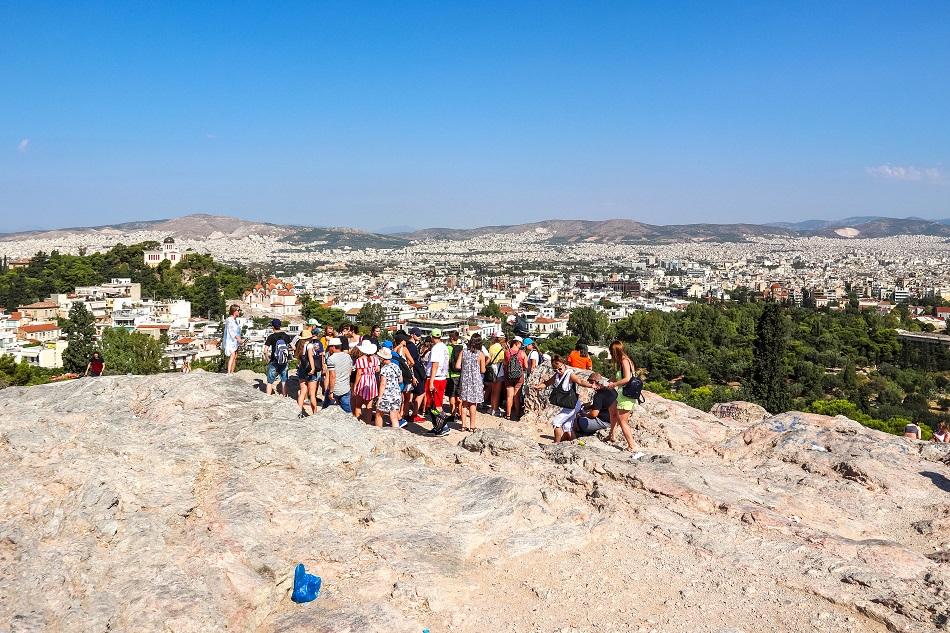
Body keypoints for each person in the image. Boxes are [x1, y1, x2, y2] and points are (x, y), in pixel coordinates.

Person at [534, 355, 597, 443]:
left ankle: (556, 443)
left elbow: (580, 381)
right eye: (555, 370)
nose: (558, 371)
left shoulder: (569, 374)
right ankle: (574, 443)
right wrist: (538, 386)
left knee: (556, 422)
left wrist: (591, 385)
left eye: (560, 369)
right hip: (568, 404)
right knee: (567, 427)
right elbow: (547, 383)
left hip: (573, 405)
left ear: (564, 365)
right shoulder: (557, 375)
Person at [606, 340, 638, 452]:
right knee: (612, 409)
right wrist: (611, 380)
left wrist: (614, 384)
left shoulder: (624, 361)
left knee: (622, 421)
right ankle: (612, 434)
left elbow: (627, 378)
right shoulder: (623, 361)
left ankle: (631, 445)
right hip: (622, 394)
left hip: (626, 396)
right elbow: (621, 376)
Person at [456, 333, 487, 432]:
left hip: (465, 380)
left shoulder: (463, 352)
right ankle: (472, 426)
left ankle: (463, 425)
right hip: (475, 380)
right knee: (473, 403)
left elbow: (457, 366)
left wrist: (465, 368)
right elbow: (483, 370)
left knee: (464, 403)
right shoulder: (480, 354)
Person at [574, 373, 617, 437]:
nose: (592, 386)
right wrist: (589, 406)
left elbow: (594, 414)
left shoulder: (598, 395)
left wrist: (584, 415)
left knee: (577, 420)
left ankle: (579, 433)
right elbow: (604, 404)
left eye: (591, 383)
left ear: (596, 382)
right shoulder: (612, 390)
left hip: (604, 422)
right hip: (614, 421)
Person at [375, 347, 408, 429]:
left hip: (387, 394)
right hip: (396, 393)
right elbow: (400, 380)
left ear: (382, 358)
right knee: (394, 417)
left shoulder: (384, 369)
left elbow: (383, 384)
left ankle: (378, 432)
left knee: (379, 414)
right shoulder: (395, 366)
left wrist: (379, 397)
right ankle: (396, 433)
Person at [425, 329, 450, 424]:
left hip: (435, 378)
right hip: (442, 376)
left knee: (436, 405)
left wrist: (431, 382)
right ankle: (439, 425)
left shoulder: (436, 348)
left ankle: (442, 425)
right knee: (438, 403)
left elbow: (435, 365)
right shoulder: (444, 347)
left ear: (432, 337)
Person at [352, 339, 380, 423]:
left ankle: (358, 422)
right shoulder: (375, 359)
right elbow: (377, 370)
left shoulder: (360, 360)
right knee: (369, 406)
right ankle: (367, 423)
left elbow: (359, 373)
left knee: (358, 405)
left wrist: (355, 385)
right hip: (372, 381)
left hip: (363, 380)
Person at [294, 330, 320, 418]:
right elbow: (310, 357)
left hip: (302, 370)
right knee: (312, 394)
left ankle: (299, 412)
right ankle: (315, 413)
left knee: (302, 392)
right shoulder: (310, 345)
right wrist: (313, 368)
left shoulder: (300, 346)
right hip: (309, 370)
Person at [323, 337, 353, 413]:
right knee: (347, 411)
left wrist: (331, 392)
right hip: (346, 388)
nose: (328, 349)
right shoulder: (348, 356)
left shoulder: (331, 359)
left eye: (329, 347)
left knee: (325, 410)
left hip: (335, 389)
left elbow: (332, 376)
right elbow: (349, 372)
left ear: (333, 347)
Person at [264, 319, 293, 396]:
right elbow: (294, 347)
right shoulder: (286, 336)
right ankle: (284, 396)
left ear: (272, 327)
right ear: (280, 326)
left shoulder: (271, 337)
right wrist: (286, 350)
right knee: (284, 381)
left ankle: (268, 396)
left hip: (274, 360)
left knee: (270, 381)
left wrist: (268, 359)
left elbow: (265, 351)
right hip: (284, 361)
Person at [406, 327, 428, 422]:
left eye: (420, 335)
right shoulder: (411, 347)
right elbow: (410, 362)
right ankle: (414, 414)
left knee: (412, 394)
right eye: (417, 335)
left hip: (415, 372)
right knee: (421, 393)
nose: (419, 336)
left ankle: (408, 413)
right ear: (412, 334)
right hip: (416, 372)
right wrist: (413, 376)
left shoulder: (409, 345)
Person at [504, 337, 528, 420]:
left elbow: (505, 364)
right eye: (520, 343)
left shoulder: (507, 352)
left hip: (509, 376)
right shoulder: (522, 353)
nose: (521, 345)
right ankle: (517, 414)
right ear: (517, 343)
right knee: (517, 396)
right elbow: (526, 366)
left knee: (509, 396)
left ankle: (508, 415)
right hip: (519, 377)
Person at [486, 333, 508, 416]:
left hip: (492, 369)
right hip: (499, 370)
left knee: (493, 391)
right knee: (497, 392)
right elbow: (504, 361)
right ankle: (495, 409)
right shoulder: (502, 348)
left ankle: (492, 408)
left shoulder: (491, 347)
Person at [446, 330, 465, 422]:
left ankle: (453, 414)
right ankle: (460, 414)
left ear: (451, 338)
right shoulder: (462, 347)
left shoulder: (448, 348)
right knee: (459, 395)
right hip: (460, 373)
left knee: (452, 395)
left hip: (450, 374)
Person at [223, 304, 243, 374]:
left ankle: (232, 371)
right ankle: (229, 372)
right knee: (232, 355)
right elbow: (231, 331)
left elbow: (237, 331)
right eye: (238, 310)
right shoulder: (229, 320)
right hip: (230, 340)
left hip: (235, 341)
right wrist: (238, 338)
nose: (239, 312)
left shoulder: (235, 320)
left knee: (235, 356)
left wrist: (239, 339)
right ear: (234, 311)